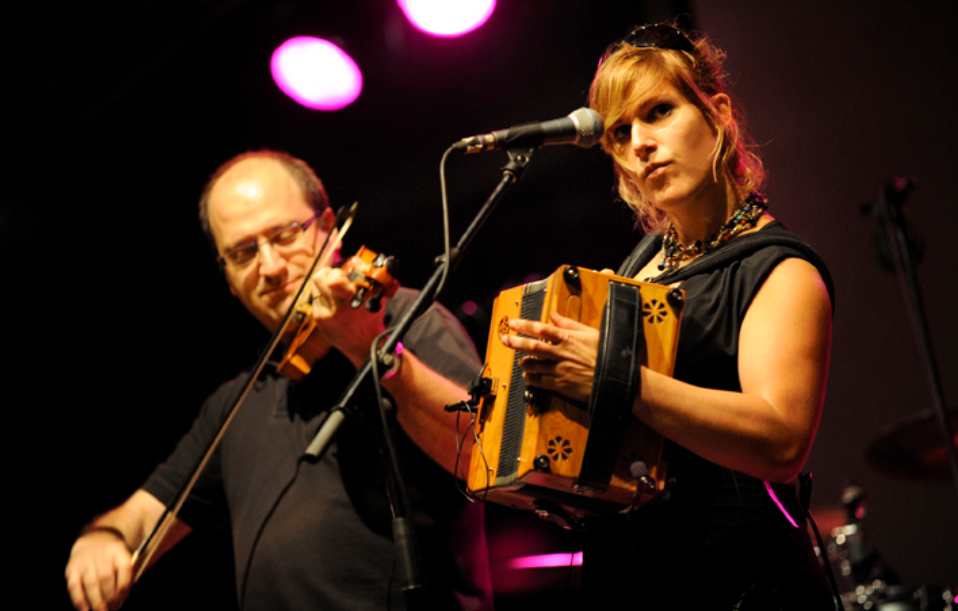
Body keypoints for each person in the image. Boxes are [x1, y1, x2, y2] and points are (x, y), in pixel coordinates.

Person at [65, 150, 493, 611]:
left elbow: (486, 455)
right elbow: (142, 516)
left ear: (329, 227)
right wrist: (102, 539)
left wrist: (369, 350)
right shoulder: (236, 400)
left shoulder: (406, 319)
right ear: (228, 277)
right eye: (244, 252)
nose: (270, 268)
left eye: (286, 235)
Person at [499, 25, 835, 609]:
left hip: (741, 583)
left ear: (718, 114)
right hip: (635, 576)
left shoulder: (780, 269)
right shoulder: (637, 268)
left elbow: (782, 442)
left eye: (658, 112)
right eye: (621, 133)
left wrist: (614, 377)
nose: (640, 144)